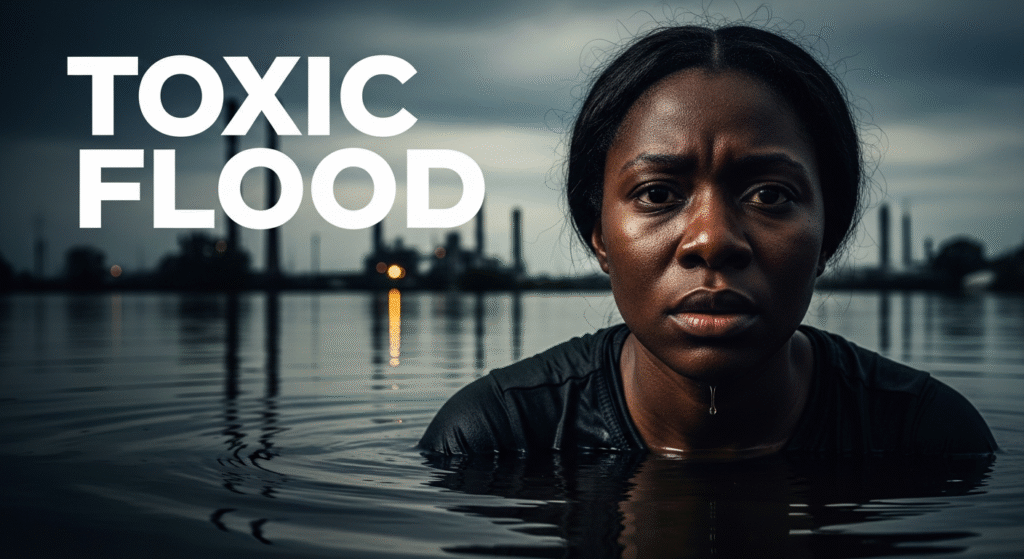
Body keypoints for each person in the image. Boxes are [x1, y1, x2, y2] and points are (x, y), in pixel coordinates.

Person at [419, 24, 997, 458]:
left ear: (830, 233)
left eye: (770, 195)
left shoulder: (930, 437)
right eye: (657, 194)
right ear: (599, 235)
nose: (712, 241)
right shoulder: (493, 438)